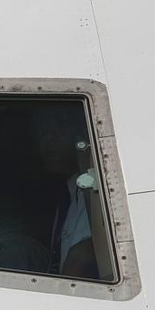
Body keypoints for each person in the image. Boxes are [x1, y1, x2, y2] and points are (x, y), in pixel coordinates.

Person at [38, 107, 99, 279]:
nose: (49, 137)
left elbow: (86, 254)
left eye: (61, 125)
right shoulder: (68, 198)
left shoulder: (96, 193)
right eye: (44, 129)